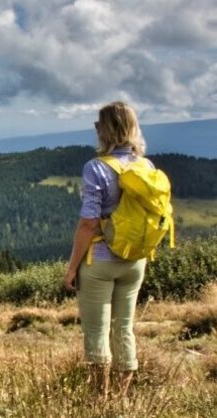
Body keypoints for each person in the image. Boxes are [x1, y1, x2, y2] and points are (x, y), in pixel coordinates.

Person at [64, 101, 150, 401]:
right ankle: (120, 399)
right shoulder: (146, 166)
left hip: (100, 261)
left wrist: (72, 267)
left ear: (108, 130)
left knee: (97, 332)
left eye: (98, 125)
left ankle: (99, 399)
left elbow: (88, 222)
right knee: (124, 329)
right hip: (135, 261)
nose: (96, 129)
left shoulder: (96, 167)